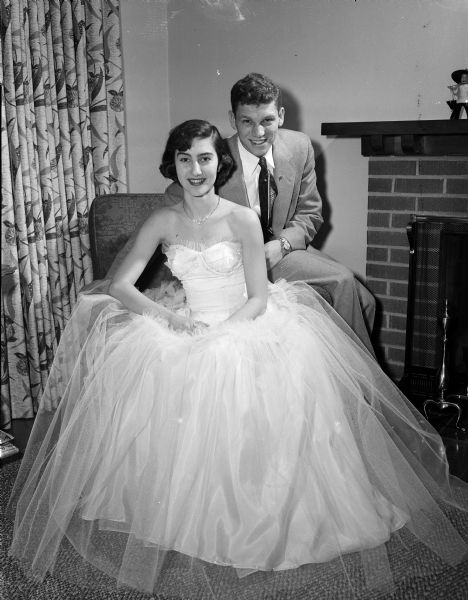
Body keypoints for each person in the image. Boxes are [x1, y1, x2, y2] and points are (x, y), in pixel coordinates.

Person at [8, 120, 468, 600]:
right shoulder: (162, 221)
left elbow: (258, 295)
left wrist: (224, 334)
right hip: (187, 323)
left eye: (205, 158)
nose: (195, 168)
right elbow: (121, 286)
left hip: (247, 323)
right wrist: (170, 319)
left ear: (218, 163)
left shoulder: (242, 219)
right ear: (173, 164)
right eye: (184, 158)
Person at [166, 72, 376, 352]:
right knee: (343, 281)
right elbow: (174, 195)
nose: (259, 133)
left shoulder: (300, 147)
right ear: (232, 120)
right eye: (247, 122)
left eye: (267, 120)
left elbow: (310, 213)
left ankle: (346, 377)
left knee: (366, 302)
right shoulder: (215, 155)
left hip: (281, 248)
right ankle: (363, 391)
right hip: (236, 259)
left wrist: (283, 245)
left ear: (281, 115)